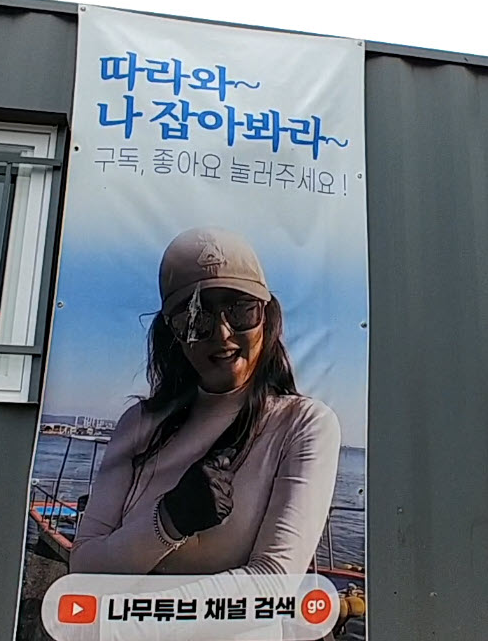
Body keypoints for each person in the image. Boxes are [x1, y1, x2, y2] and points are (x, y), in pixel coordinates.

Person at [69, 227, 341, 578]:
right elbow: (84, 565)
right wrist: (168, 521)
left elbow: (275, 578)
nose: (223, 333)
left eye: (241, 310)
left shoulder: (303, 424)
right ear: (173, 333)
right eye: (196, 318)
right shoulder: (138, 422)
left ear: (266, 316)